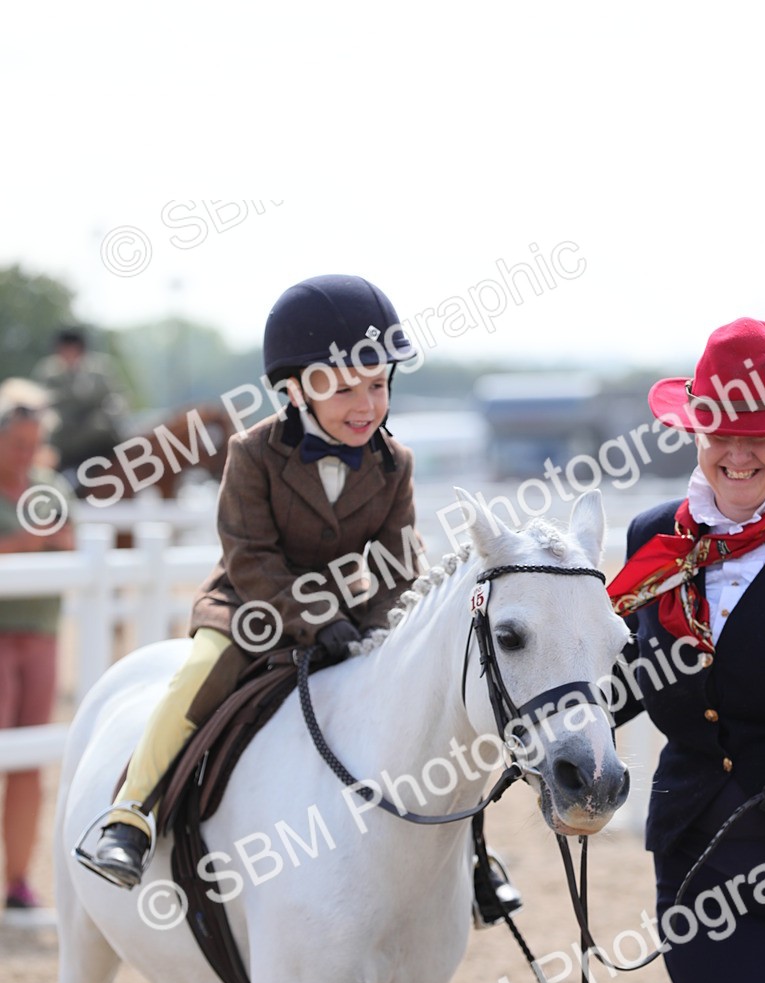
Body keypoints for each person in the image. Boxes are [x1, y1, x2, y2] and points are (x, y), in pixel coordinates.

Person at [76, 274, 522, 924]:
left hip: (351, 614)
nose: (366, 403)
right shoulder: (251, 453)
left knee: (432, 704)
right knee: (199, 677)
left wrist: (379, 626)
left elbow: (399, 563)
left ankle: (474, 857)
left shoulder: (394, 462)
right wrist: (314, 620)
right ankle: (131, 814)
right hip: (252, 609)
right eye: (344, 388)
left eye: (378, 384)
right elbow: (249, 557)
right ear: (295, 391)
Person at [607, 317, 765, 983]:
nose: (736, 451)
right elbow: (618, 686)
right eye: (720, 429)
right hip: (704, 877)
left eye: (758, 433)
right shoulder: (657, 538)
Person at [0, 378, 75, 910]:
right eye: (16, 443)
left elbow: (69, 539)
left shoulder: (50, 484)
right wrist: (32, 539)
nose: (25, 453)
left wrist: (34, 540)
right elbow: (41, 539)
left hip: (42, 633)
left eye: (31, 443)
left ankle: (18, 880)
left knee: (30, 762)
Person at [33, 327, 128, 481]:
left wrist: (108, 416)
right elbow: (42, 404)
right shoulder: (48, 373)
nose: (69, 354)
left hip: (100, 437)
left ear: (81, 350)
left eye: (73, 349)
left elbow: (117, 398)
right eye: (65, 349)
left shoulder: (101, 370)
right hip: (66, 442)